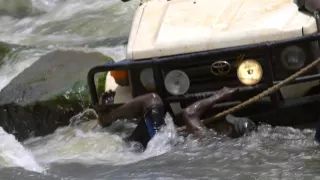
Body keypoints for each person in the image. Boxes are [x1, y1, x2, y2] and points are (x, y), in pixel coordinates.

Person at [97, 87, 256, 149]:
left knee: (152, 99)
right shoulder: (219, 145)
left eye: (226, 123)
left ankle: (108, 117)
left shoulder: (207, 137)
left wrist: (220, 95)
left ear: (229, 130)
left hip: (148, 145)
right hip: (156, 144)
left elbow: (189, 113)